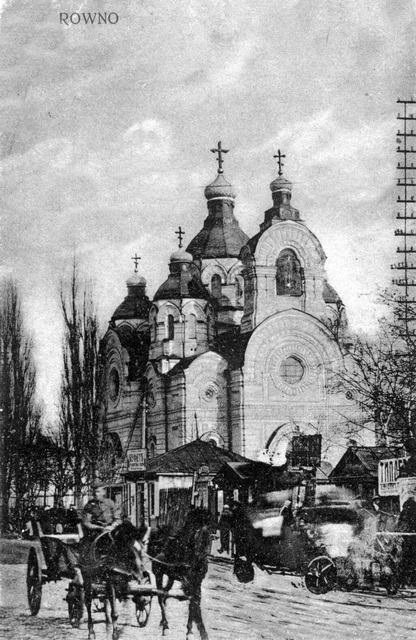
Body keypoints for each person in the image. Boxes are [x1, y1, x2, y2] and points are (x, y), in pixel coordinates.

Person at [73, 483, 121, 585]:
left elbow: (118, 519)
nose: (96, 494)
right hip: (96, 532)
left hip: (111, 531)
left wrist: (112, 526)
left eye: (98, 491)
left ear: (104, 492)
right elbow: (86, 523)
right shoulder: (90, 505)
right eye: (94, 492)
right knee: (89, 546)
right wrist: (101, 528)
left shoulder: (110, 503)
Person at [398, 496, 416, 586]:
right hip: (412, 538)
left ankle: (404, 581)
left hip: (406, 538)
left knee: (405, 559)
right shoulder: (413, 511)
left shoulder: (403, 512)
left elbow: (400, 525)